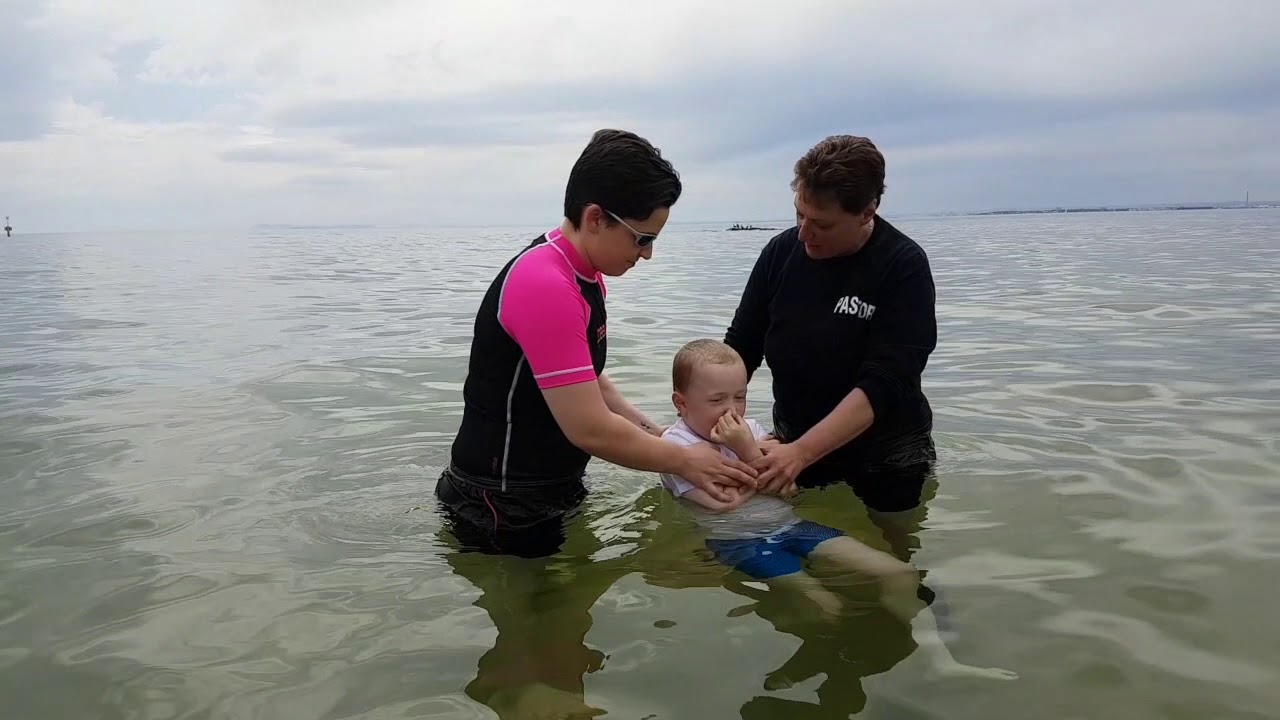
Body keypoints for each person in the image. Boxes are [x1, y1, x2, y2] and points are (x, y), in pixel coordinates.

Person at [436, 128, 757, 559]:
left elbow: (591, 382)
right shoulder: (545, 282)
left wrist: (660, 435)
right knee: (548, 622)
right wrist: (684, 460)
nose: (647, 254)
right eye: (642, 238)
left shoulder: (583, 276)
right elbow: (587, 426)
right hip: (502, 502)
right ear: (594, 218)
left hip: (548, 485)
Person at [655, 339, 1016, 681]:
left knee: (899, 573)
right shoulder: (673, 448)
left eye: (741, 397)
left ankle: (938, 659)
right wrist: (753, 457)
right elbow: (723, 502)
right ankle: (841, 659)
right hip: (741, 542)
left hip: (793, 527)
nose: (732, 411)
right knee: (827, 605)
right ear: (681, 402)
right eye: (717, 400)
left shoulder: (748, 430)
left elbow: (789, 491)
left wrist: (749, 454)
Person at [723, 134, 938, 559]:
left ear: (866, 213)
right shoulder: (781, 253)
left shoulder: (903, 267)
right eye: (800, 215)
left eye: (822, 225)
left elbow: (886, 383)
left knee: (895, 557)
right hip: (794, 439)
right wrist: (703, 427)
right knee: (799, 551)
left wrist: (802, 453)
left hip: (887, 452)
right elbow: (739, 348)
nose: (805, 233)